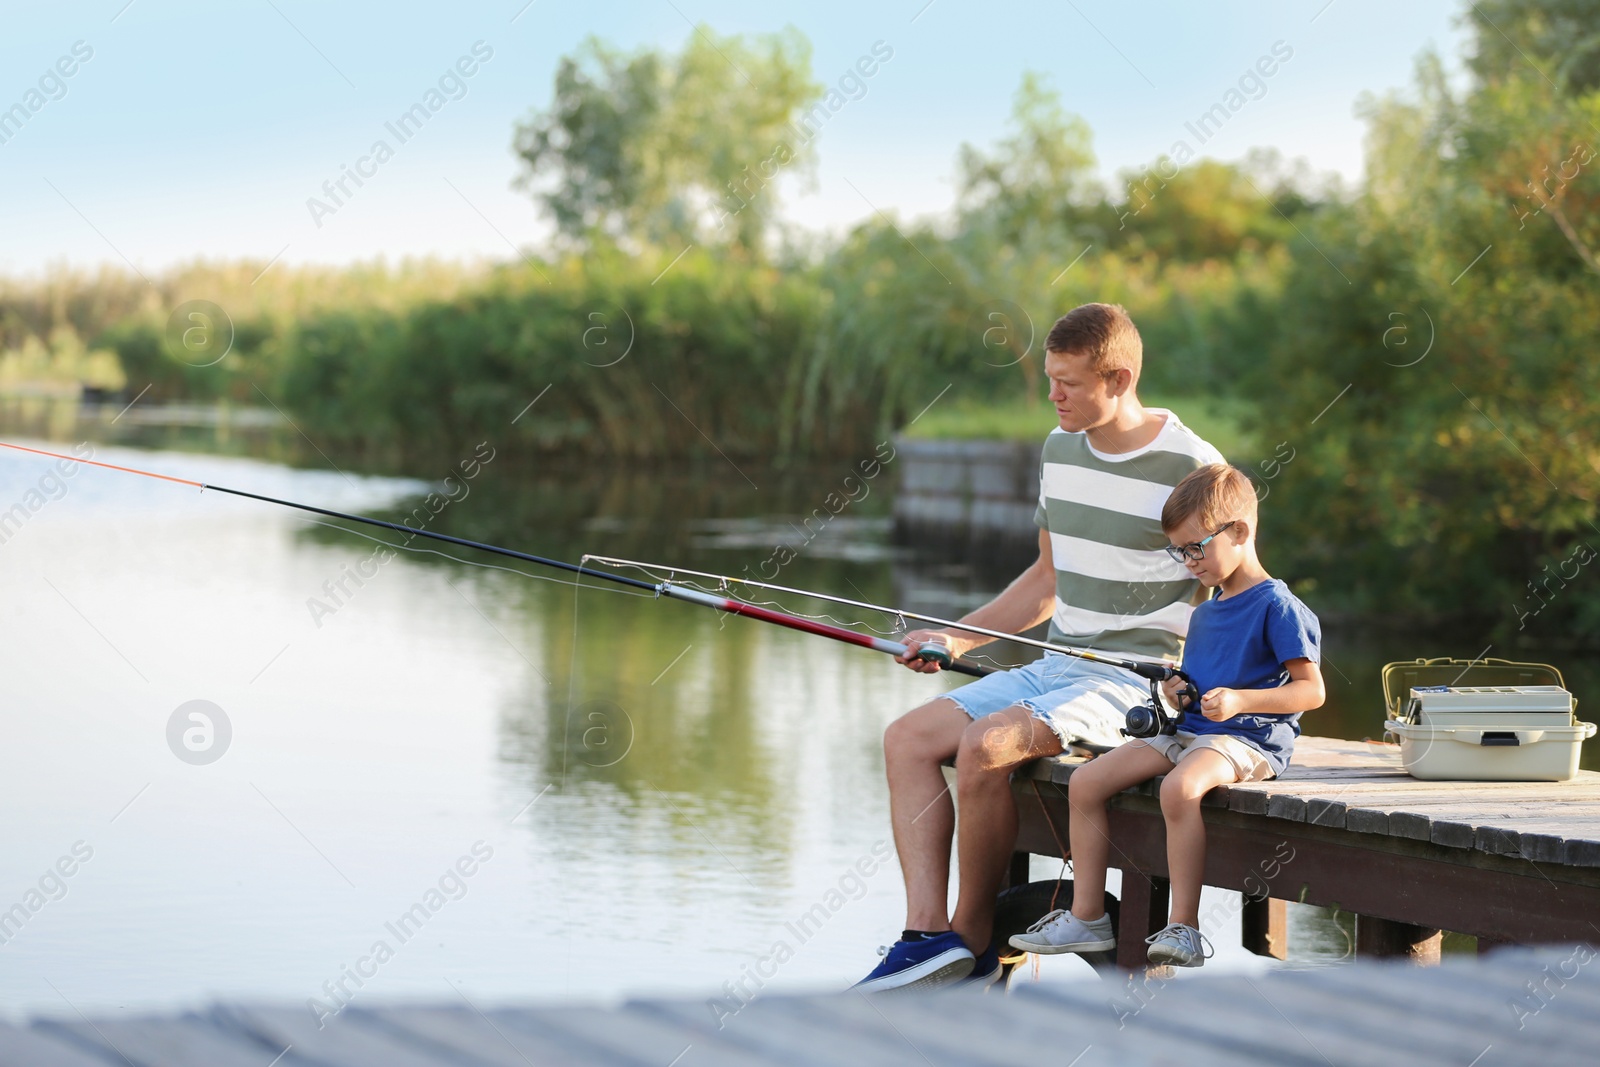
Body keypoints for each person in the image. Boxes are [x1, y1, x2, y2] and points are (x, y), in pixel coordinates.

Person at [856, 303, 1224, 992]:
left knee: (987, 745)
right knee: (907, 737)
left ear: (1118, 378)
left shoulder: (1192, 465)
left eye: (1069, 383)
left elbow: (1231, 588)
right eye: (1050, 379)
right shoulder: (1061, 449)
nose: (1052, 394)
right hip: (1056, 665)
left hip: (1134, 681)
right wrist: (953, 636)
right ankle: (924, 935)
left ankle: (968, 943)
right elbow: (1047, 580)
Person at [1009, 462, 1324, 967]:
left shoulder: (1277, 607)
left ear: (1239, 532)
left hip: (1249, 739)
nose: (1187, 562)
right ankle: (1088, 915)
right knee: (1086, 781)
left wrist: (1242, 700)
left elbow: (1311, 692)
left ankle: (1185, 927)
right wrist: (1179, 694)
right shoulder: (1203, 611)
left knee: (1180, 788)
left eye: (1195, 548)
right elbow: (1196, 687)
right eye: (1179, 551)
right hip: (1192, 731)